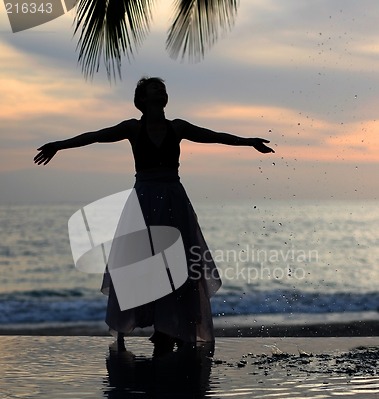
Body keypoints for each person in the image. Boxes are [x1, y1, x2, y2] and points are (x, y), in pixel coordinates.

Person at [34, 77, 274, 355]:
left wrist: (249, 142)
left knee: (179, 265)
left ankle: (171, 327)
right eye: (153, 88)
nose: (160, 91)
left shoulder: (178, 127)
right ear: (142, 99)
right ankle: (136, 324)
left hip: (174, 199)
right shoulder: (132, 128)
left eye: (162, 88)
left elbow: (215, 136)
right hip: (145, 200)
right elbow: (96, 136)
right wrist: (59, 145)